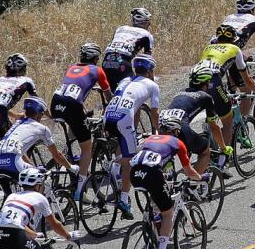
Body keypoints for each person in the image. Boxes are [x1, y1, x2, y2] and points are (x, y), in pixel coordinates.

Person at [127, 133, 203, 249]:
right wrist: (201, 179)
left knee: (155, 201)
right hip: (151, 174)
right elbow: (189, 171)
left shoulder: (151, 138)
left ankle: (152, 228)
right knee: (168, 213)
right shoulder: (179, 143)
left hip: (134, 173)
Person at [52, 43, 111, 199]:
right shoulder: (98, 70)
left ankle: (69, 157)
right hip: (72, 106)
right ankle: (80, 189)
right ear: (96, 58)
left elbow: (75, 90)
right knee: (87, 148)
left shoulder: (72, 68)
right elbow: (108, 95)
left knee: (75, 129)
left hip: (56, 102)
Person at [103, 54, 160, 216]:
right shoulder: (152, 85)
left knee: (123, 144)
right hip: (123, 119)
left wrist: (133, 130)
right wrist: (160, 132)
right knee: (130, 160)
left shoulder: (125, 80)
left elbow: (135, 107)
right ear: (149, 71)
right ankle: (124, 199)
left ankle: (115, 170)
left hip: (108, 116)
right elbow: (155, 113)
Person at [158, 66, 233, 178]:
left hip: (162, 125)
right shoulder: (206, 97)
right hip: (179, 127)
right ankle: (191, 184)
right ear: (206, 83)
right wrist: (223, 147)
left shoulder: (180, 92)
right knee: (205, 153)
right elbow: (214, 127)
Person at [0, 96, 74, 190]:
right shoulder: (42, 129)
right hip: (13, 163)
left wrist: (33, 167)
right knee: (39, 184)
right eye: (42, 114)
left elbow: (18, 152)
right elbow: (57, 155)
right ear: (39, 114)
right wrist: (71, 167)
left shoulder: (17, 123)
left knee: (10, 199)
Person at [0, 53, 35, 139]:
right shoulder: (26, 80)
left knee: (5, 143)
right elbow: (37, 101)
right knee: (14, 143)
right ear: (23, 68)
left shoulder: (0, 80)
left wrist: (15, 115)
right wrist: (49, 116)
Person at [101, 8, 154, 90]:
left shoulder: (120, 29)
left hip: (106, 61)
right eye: (148, 22)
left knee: (113, 94)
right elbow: (147, 60)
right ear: (145, 23)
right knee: (129, 92)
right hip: (123, 62)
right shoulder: (147, 35)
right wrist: (152, 81)